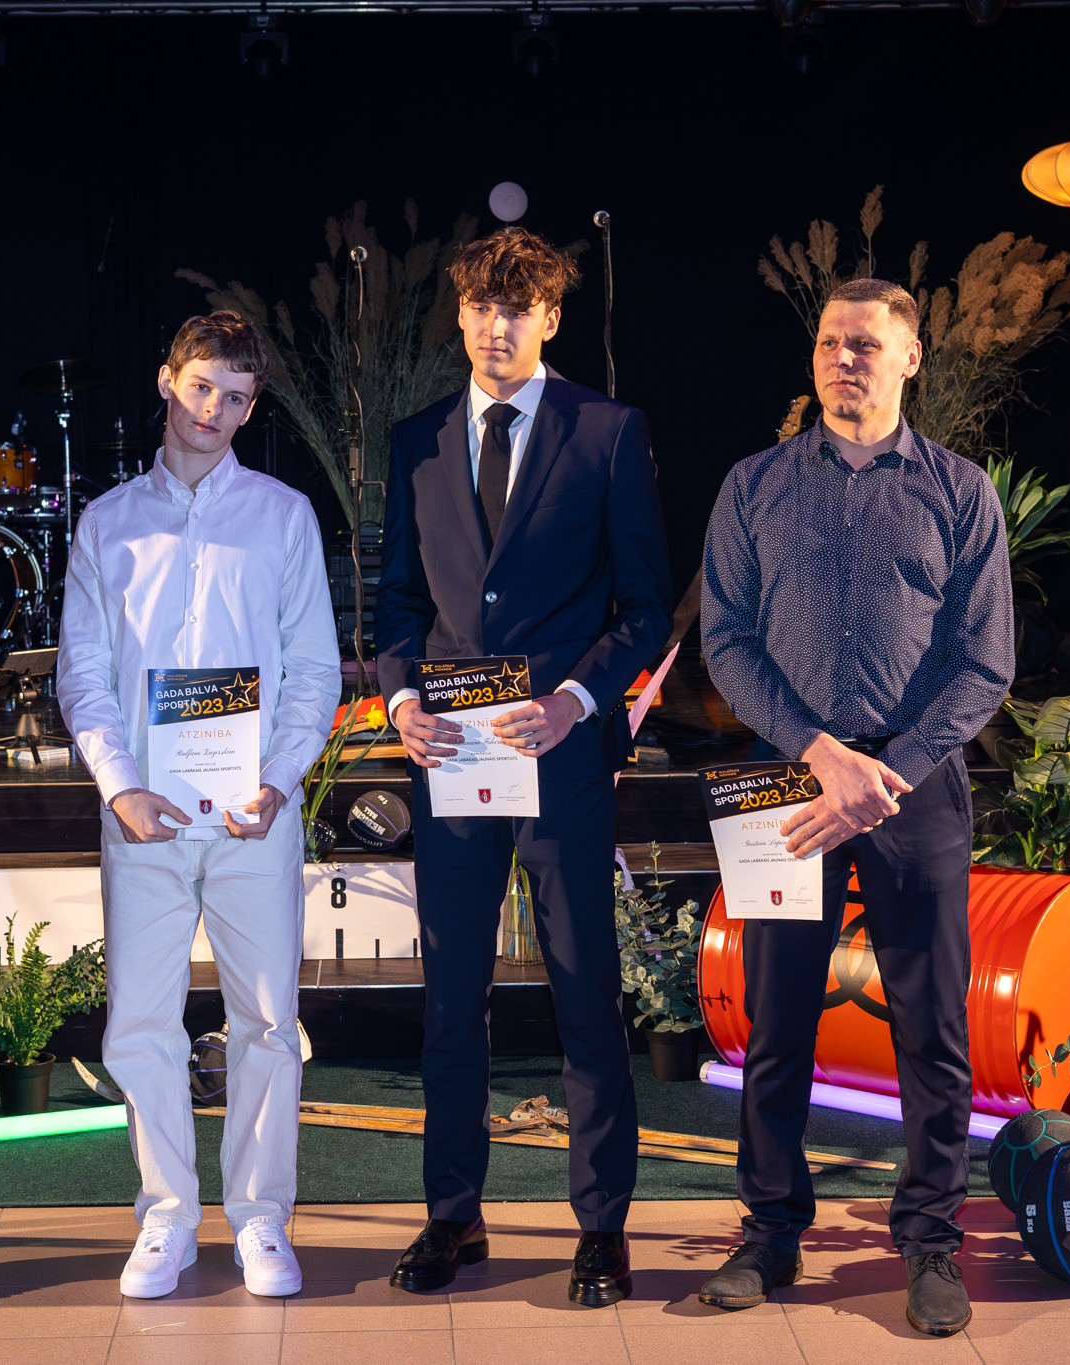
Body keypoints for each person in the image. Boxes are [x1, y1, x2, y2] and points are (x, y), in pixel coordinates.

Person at [696, 278, 1014, 1336]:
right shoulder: (752, 485)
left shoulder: (960, 492)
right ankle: (768, 1232)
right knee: (774, 1022)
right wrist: (819, 753)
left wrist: (887, 769)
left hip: (914, 786)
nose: (844, 359)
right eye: (831, 342)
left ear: (909, 357)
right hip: (785, 781)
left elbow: (986, 662)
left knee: (932, 1027)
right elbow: (725, 640)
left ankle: (930, 1242)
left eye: (866, 345)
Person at [375, 227, 670, 1307]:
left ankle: (601, 1227)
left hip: (562, 756)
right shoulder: (414, 438)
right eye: (479, 307)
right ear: (458, 314)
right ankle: (453, 1213)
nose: (495, 326)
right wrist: (401, 700)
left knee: (585, 995)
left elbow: (644, 607)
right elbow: (397, 600)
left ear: (548, 318)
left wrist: (574, 700)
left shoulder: (607, 430)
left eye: (516, 309)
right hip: (453, 756)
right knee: (451, 1001)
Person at [55, 311, 341, 1300]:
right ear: (167, 382)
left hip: (253, 813)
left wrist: (281, 777)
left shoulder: (283, 517)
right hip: (144, 814)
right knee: (139, 1023)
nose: (214, 409)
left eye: (236, 396)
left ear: (252, 409)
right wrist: (119, 785)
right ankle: (167, 1217)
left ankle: (260, 1219)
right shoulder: (106, 524)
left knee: (267, 1022)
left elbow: (314, 670)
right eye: (201, 387)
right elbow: (82, 674)